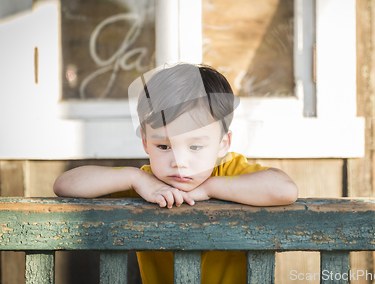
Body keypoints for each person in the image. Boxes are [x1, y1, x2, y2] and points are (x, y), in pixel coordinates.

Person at [53, 62, 298, 284]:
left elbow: (285, 190)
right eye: (163, 146)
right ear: (146, 143)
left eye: (195, 146)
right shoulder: (149, 182)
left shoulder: (231, 172)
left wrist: (210, 188)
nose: (179, 162)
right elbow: (65, 185)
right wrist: (135, 177)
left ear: (223, 143)